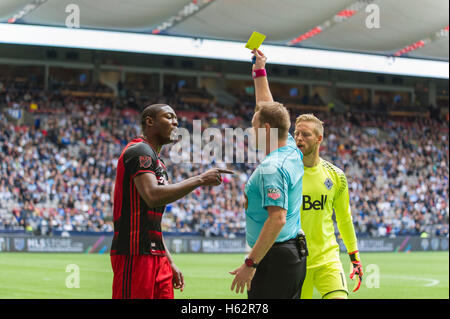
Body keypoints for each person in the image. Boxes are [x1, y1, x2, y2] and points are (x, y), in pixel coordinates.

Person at [110, 103, 233, 299]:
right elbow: (152, 196)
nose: (176, 122)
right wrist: (200, 179)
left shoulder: (158, 162)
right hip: (134, 253)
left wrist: (169, 260)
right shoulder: (139, 150)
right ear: (150, 121)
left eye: (176, 118)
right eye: (169, 117)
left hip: (157, 256)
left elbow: (152, 222)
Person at [229, 50, 307, 299]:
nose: (250, 133)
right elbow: (266, 108)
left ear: (264, 129)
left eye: (252, 127)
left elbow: (277, 219)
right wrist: (259, 71)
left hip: (274, 259)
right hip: (289, 256)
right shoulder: (292, 149)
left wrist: (250, 265)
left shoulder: (272, 168)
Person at [294, 113, 363, 299]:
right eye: (296, 133)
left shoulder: (336, 175)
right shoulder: (286, 173)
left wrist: (354, 257)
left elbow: (344, 218)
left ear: (319, 139)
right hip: (296, 262)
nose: (299, 138)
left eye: (305, 134)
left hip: (328, 260)